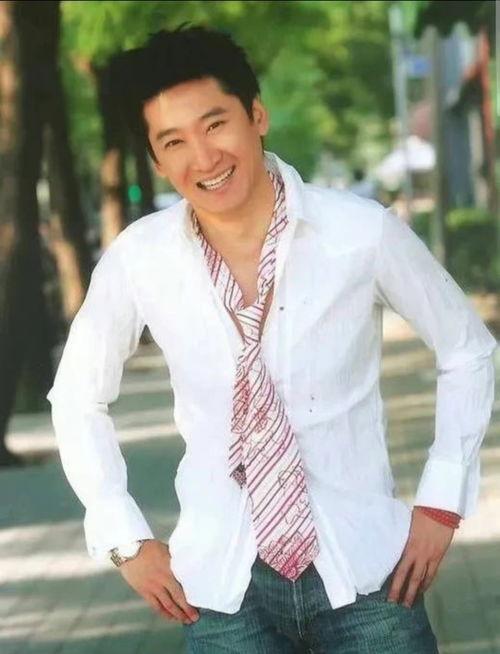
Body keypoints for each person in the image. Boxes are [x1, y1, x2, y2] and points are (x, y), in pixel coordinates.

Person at [47, 26, 497, 654]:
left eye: (215, 125)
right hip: (222, 591)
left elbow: (468, 349)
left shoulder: (359, 233)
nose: (204, 157)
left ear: (256, 116)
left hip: (368, 579)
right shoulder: (139, 260)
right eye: (173, 142)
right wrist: (124, 535)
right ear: (156, 160)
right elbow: (77, 397)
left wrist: (442, 501)